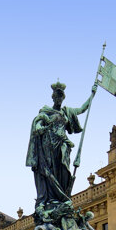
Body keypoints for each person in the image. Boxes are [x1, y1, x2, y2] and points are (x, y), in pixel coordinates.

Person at [26, 82, 96, 214]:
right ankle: (51, 199)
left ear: (63, 98)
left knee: (63, 170)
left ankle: (62, 197)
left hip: (63, 145)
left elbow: (82, 109)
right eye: (57, 97)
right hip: (48, 146)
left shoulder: (67, 112)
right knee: (49, 172)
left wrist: (92, 95)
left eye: (61, 97)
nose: (59, 99)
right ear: (53, 98)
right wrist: (41, 129)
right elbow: (37, 125)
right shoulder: (46, 111)